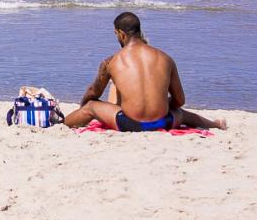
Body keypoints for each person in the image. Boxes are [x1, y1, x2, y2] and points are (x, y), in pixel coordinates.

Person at [64, 12, 227, 131]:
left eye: (116, 34)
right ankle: (215, 124)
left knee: (92, 106)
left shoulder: (111, 61)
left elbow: (94, 92)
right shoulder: (165, 58)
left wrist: (84, 103)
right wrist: (162, 102)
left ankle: (61, 125)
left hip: (129, 124)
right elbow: (180, 100)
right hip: (164, 121)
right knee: (181, 113)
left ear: (121, 34)